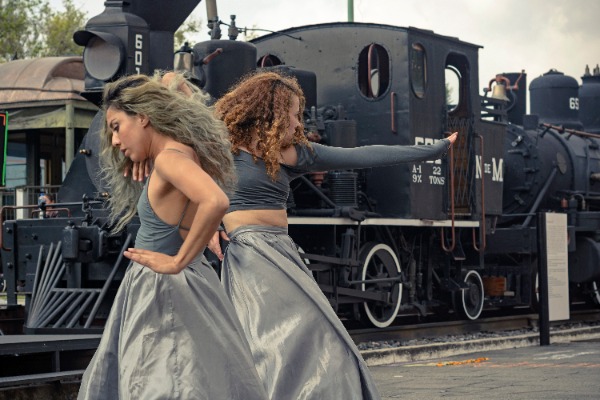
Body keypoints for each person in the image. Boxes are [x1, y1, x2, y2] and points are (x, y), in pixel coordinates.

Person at [213, 71, 458, 400]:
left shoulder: (290, 153)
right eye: (292, 113)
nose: (298, 123)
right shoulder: (220, 148)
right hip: (247, 255)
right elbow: (184, 186)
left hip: (281, 252)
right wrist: (208, 228)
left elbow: (362, 155)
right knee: (264, 339)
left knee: (319, 335)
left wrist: (432, 151)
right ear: (269, 112)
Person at [77, 72, 268, 400]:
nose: (116, 142)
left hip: (161, 287)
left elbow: (216, 201)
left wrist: (177, 262)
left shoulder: (170, 158)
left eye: (116, 128)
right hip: (183, 281)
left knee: (161, 380)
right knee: (191, 377)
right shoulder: (177, 153)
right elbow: (172, 82)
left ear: (142, 118)